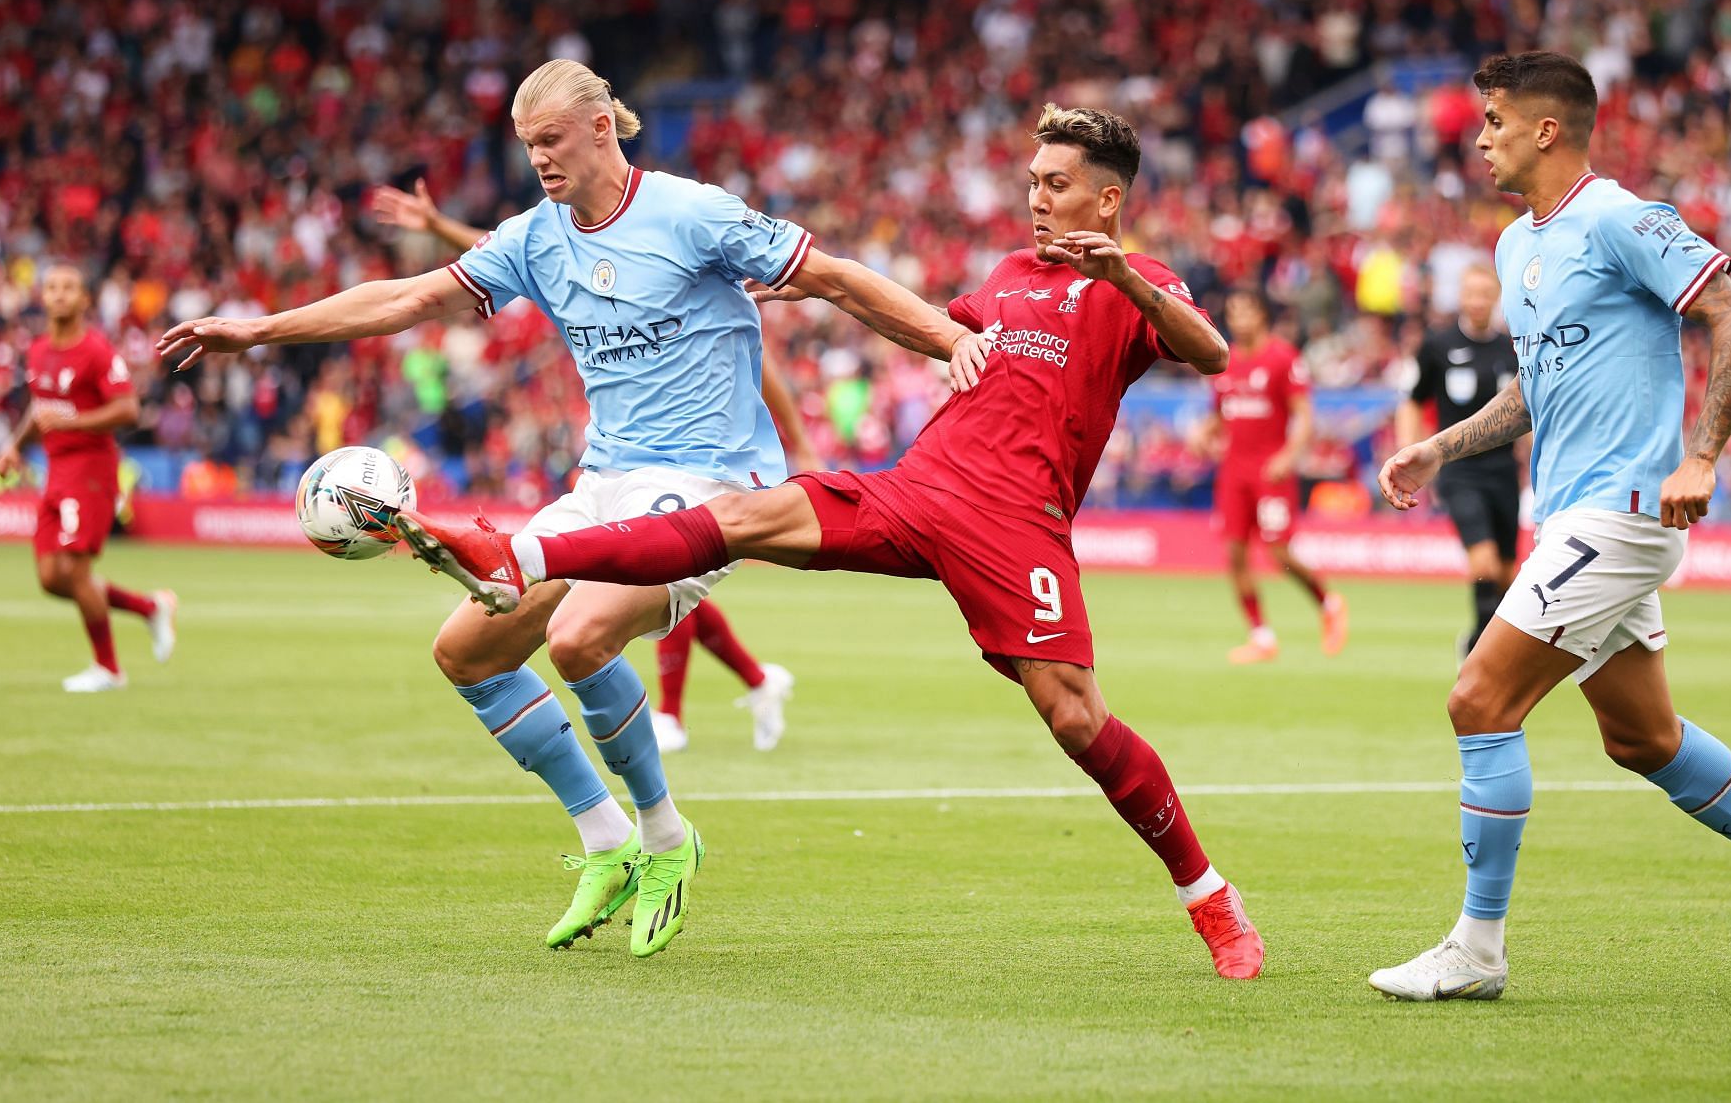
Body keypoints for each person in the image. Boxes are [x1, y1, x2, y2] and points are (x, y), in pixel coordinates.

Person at [396, 104, 1269, 980]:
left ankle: (1209, 896)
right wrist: (797, 287)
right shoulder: (1007, 273)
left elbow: (1212, 353)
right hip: (918, 488)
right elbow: (926, 320)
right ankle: (524, 557)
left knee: (1075, 716)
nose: (1035, 199)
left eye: (1056, 184)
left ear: (1108, 200)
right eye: (1032, 182)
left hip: (1017, 524)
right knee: (745, 517)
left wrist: (1132, 281)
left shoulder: (1135, 283)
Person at [159, 60, 975, 957]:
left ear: (601, 128)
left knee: (582, 635)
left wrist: (951, 340)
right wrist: (257, 328)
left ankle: (666, 839)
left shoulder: (692, 213)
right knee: (466, 652)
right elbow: (407, 298)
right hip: (605, 480)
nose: (539, 159)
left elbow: (839, 279)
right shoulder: (533, 238)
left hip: (709, 486)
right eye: (526, 146)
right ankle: (606, 839)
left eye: (551, 139)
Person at [1369, 52, 1731, 1001]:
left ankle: (1477, 951)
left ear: (1546, 129)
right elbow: (1533, 388)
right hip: (1570, 514)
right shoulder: (1518, 247)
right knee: (1643, 739)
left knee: (1479, 701)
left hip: (1626, 509)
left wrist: (1705, 454)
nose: (1480, 139)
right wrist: (1440, 447)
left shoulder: (1624, 218)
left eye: (1495, 122)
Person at [368, 179, 799, 754]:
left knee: (621, 596)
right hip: (612, 462)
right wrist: (443, 228)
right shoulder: (574, 260)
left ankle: (678, 716)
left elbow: (762, 367)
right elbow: (530, 257)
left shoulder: (690, 276)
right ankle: (752, 682)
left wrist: (802, 444)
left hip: (704, 465)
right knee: (621, 591)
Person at [0, 264, 175, 693]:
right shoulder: (38, 350)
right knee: (51, 579)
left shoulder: (96, 351)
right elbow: (41, 410)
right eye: (52, 287)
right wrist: (15, 445)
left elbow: (128, 409)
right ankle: (150, 607)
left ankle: (109, 669)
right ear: (43, 296)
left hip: (91, 471)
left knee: (75, 571)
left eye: (68, 288)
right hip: (53, 472)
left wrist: (75, 420)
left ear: (83, 300)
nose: (58, 295)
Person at [1196, 289, 1346, 663]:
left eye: (1245, 310)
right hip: (1233, 471)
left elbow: (1305, 416)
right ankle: (1261, 636)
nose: (1238, 319)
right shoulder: (1224, 360)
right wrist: (1204, 432)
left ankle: (1329, 603)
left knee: (1279, 553)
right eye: (1232, 313)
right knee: (1234, 554)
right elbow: (1222, 412)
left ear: (1261, 315)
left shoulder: (1282, 358)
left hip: (1270, 471)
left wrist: (1289, 455)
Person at [1395, 264, 1521, 653]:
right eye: (1472, 293)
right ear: (1461, 298)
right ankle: (1480, 654)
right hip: (1459, 469)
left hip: (1503, 471)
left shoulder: (1511, 347)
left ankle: (1479, 640)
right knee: (1482, 564)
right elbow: (1412, 403)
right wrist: (1407, 453)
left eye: (1486, 293)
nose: (1479, 301)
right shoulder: (1437, 345)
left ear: (1496, 298)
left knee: (1505, 574)